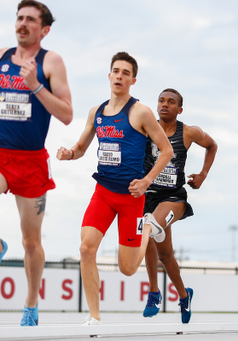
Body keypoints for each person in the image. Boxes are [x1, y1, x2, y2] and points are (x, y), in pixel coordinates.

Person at [0, 0, 72, 326]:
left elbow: (66, 114)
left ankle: (31, 304)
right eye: (19, 18)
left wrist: (36, 85)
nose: (22, 24)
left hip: (31, 162)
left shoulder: (52, 62)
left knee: (31, 242)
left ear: (44, 29)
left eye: (31, 20)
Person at [56, 52, 173, 326]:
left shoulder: (140, 112)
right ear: (109, 76)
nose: (119, 76)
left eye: (125, 72)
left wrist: (147, 181)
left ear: (133, 79)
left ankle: (148, 227)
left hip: (131, 197)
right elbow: (82, 148)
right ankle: (95, 317)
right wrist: (68, 153)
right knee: (86, 249)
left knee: (129, 268)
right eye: (115, 71)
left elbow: (166, 151)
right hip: (103, 193)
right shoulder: (96, 113)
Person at [142, 88, 218, 324]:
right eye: (161, 101)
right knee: (165, 255)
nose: (165, 105)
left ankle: (154, 292)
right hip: (148, 197)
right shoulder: (146, 128)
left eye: (171, 102)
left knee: (149, 227)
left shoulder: (188, 132)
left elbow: (212, 145)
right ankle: (185, 296)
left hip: (174, 197)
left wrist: (203, 174)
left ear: (179, 109)